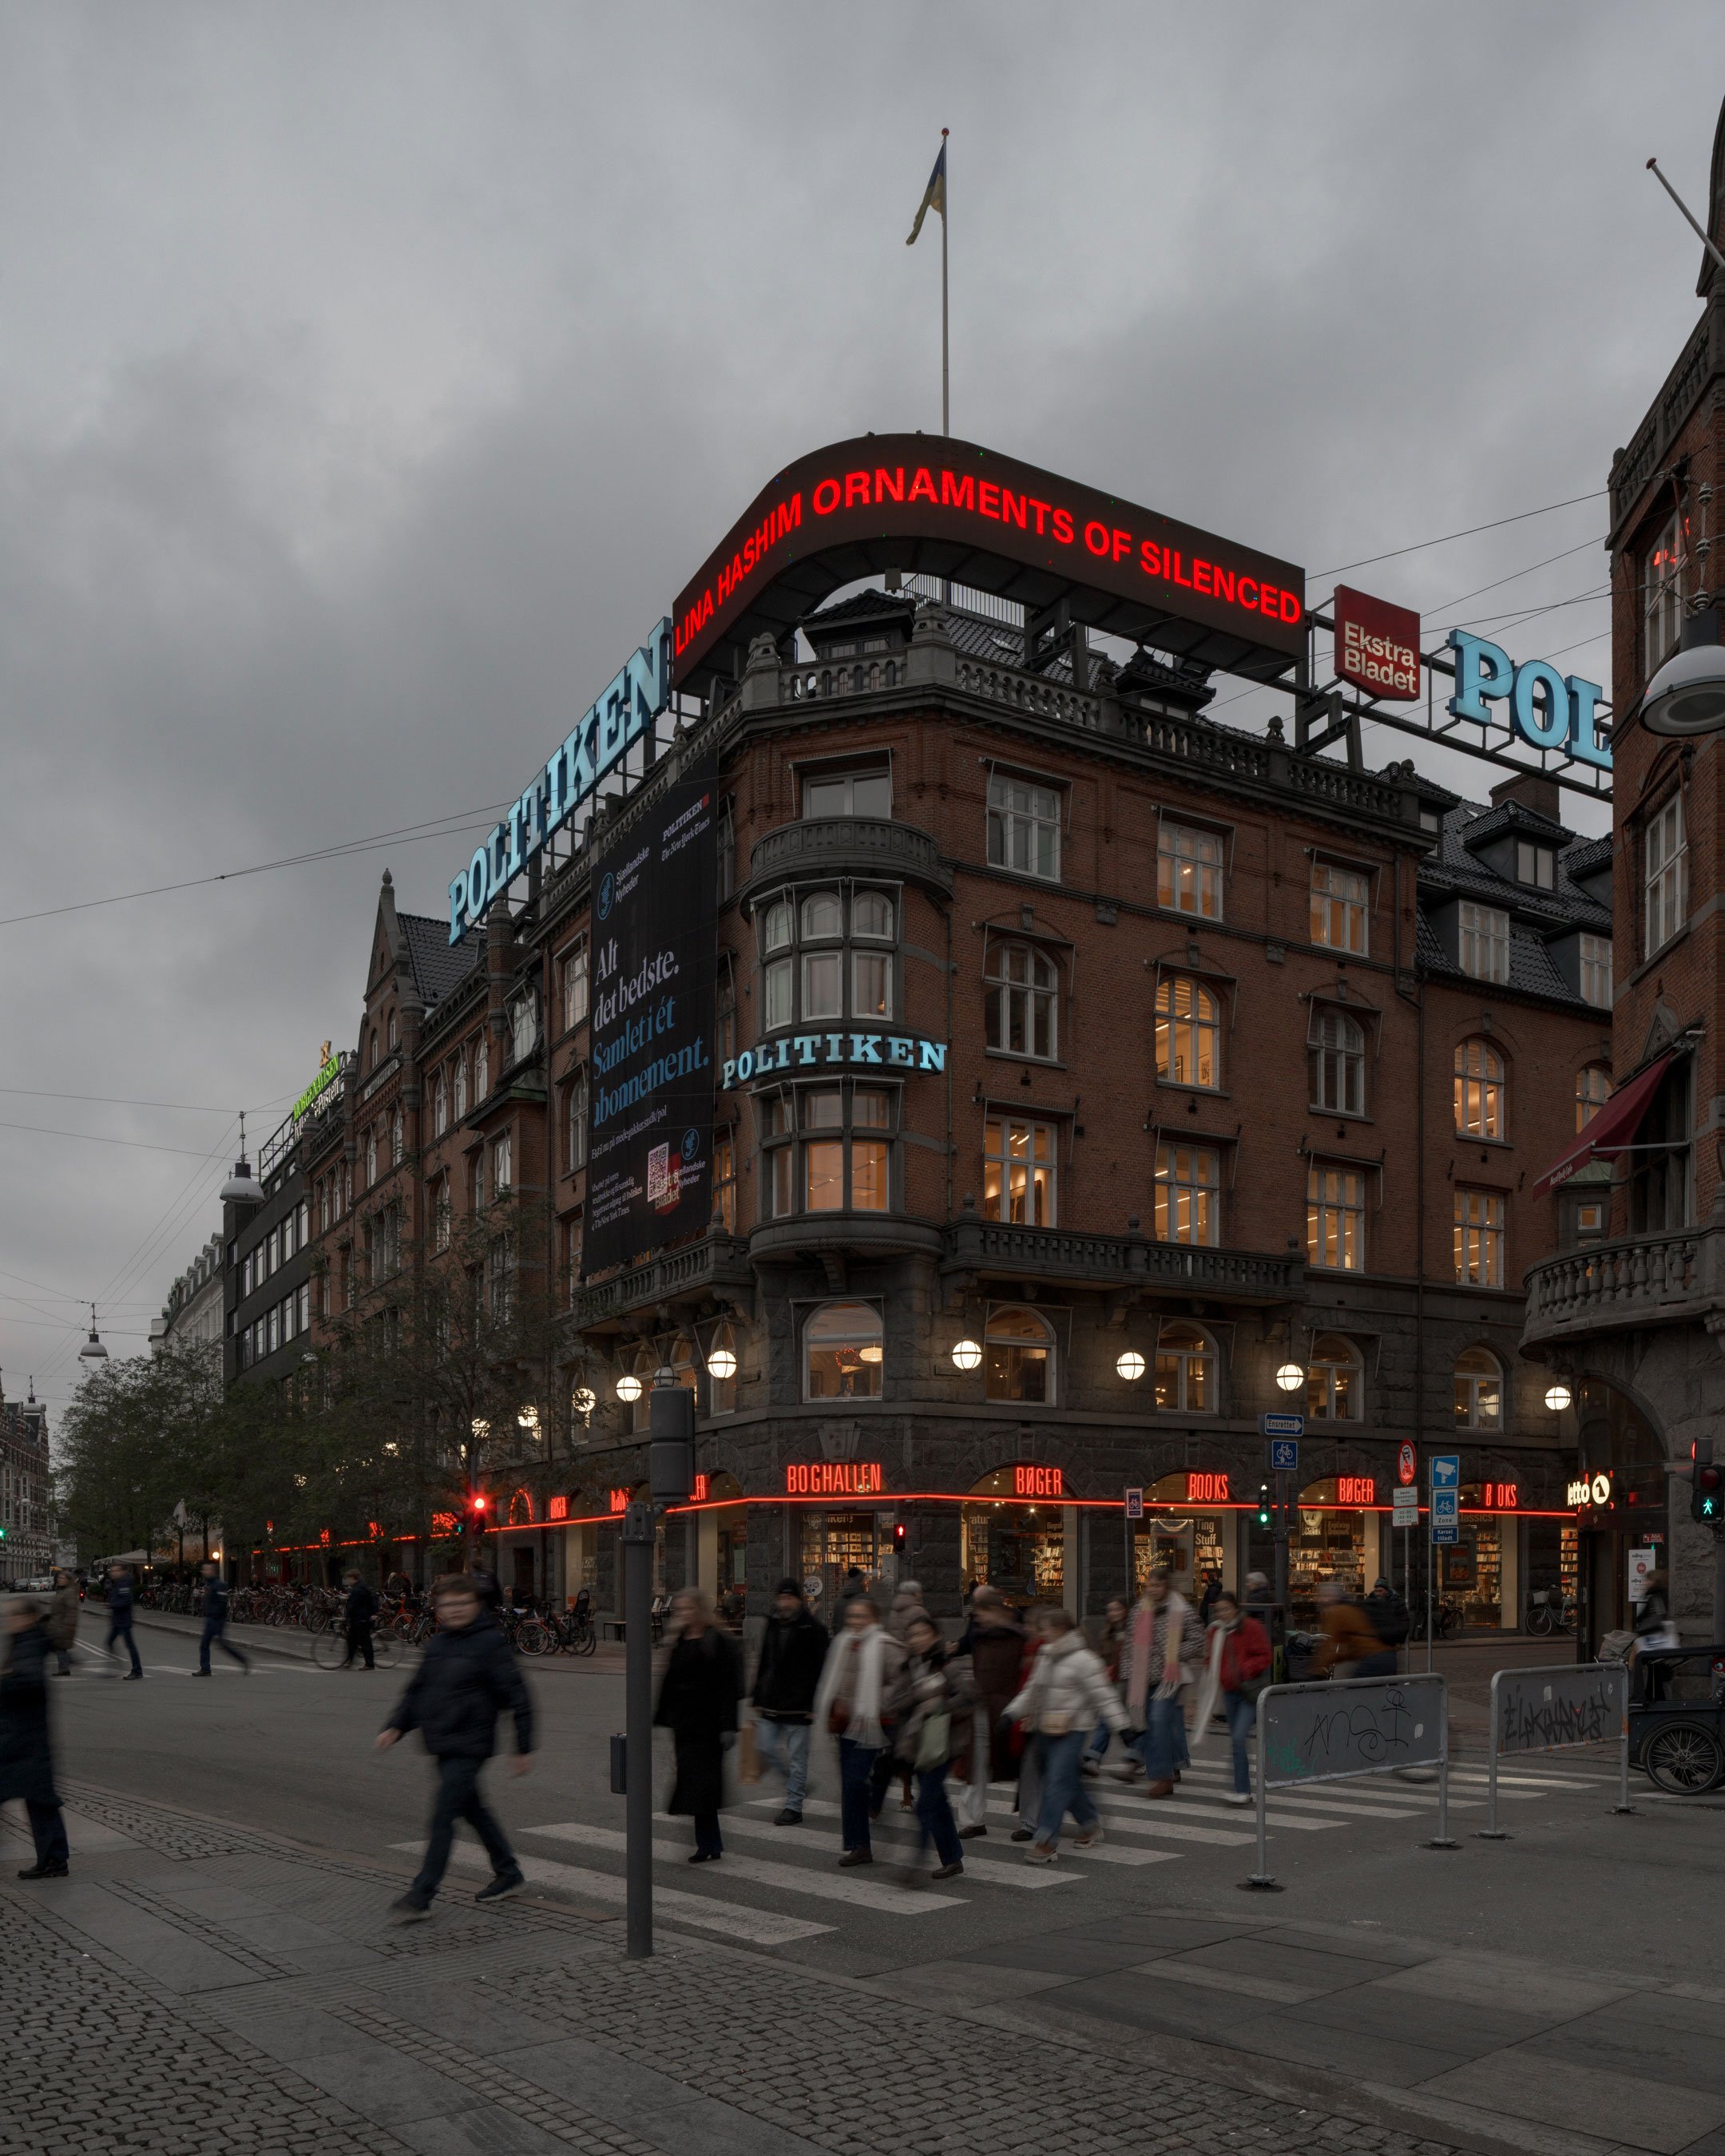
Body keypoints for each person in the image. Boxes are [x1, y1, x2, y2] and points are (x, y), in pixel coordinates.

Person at [377, 1574, 531, 1918]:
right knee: (473, 1810)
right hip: (443, 1741)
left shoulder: (490, 1643)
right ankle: (509, 1873)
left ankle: (421, 1896)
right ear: (439, 1609)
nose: (455, 1610)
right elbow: (418, 1691)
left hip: (471, 1743)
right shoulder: (438, 1645)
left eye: (462, 1603)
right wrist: (396, 1726)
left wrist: (523, 1746)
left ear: (476, 1605)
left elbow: (518, 1696)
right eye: (448, 1604)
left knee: (443, 1815)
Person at [1005, 1607, 1127, 1863]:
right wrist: (1011, 1714)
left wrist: (1122, 1726)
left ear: (1060, 1629)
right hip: (1043, 1729)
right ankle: (1090, 1822)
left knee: (1057, 1783)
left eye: (1046, 1629)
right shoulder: (1046, 1655)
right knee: (1067, 1783)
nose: (1042, 1633)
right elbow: (1032, 1690)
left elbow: (1104, 1696)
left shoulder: (1085, 1660)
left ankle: (1047, 1841)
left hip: (1072, 1731)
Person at [812, 1596, 906, 1868]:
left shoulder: (886, 1646)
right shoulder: (843, 1643)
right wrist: (835, 1702)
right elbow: (836, 1680)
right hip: (847, 1725)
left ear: (874, 1619)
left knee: (855, 1783)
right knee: (851, 1786)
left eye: (861, 1616)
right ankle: (858, 1845)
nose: (854, 1621)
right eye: (851, 1616)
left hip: (876, 1724)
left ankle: (863, 1839)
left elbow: (901, 1684)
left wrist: (872, 1702)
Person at [654, 1587, 742, 1862]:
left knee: (702, 1786)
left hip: (710, 1726)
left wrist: (728, 1725)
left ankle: (708, 1844)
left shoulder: (717, 1641)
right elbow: (670, 1682)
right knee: (696, 1785)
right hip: (686, 1725)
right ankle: (710, 1843)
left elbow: (730, 1687)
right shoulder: (680, 1640)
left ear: (700, 1610)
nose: (683, 1614)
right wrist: (663, 1717)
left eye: (688, 1608)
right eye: (680, 1609)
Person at [886, 1610, 972, 1881]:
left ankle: (916, 1862)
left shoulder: (946, 1666)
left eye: (923, 1634)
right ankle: (952, 1858)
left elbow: (969, 1698)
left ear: (935, 1636)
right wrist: (917, 1698)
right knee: (938, 1803)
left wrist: (941, 1705)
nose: (918, 1639)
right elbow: (894, 1703)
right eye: (913, 1635)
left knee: (926, 1804)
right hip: (916, 1743)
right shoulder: (908, 1668)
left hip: (942, 1744)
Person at [750, 1579, 828, 1825]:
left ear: (798, 1600)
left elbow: (821, 1669)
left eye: (789, 1598)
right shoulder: (772, 1624)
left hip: (799, 1706)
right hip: (771, 1702)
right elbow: (764, 1661)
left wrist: (813, 1705)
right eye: (781, 1598)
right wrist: (757, 1696)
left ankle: (794, 1806)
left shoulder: (813, 1628)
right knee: (764, 1748)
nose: (784, 1603)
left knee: (797, 1760)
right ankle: (795, 1784)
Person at [2, 1598, 69, 1880]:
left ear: (28, 1618)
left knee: (40, 1799)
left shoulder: (28, 1641)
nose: (8, 1621)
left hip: (25, 1739)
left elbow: (28, 1680)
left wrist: (4, 1681)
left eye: (13, 1616)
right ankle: (54, 1858)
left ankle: (54, 1859)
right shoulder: (27, 1640)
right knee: (40, 1798)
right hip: (24, 1737)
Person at [1119, 1570, 1202, 1797]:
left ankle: (1163, 1778)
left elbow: (1198, 1640)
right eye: (1150, 1585)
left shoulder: (1182, 1609)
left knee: (1157, 1721)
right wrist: (1127, 1674)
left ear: (1167, 1586)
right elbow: (1129, 1645)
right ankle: (1169, 1771)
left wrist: (1173, 1653)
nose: (1153, 1589)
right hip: (1143, 1678)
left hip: (1168, 1680)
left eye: (1158, 1585)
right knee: (1152, 1726)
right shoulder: (1139, 1609)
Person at [952, 1586, 1026, 1835]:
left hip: (1010, 1711)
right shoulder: (983, 1637)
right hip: (983, 1708)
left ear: (996, 1610)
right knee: (976, 1764)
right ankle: (973, 1820)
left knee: (1021, 1765)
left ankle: (1032, 1821)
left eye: (982, 1613)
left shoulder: (1017, 1638)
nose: (979, 1618)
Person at [1203, 1591, 1272, 1804]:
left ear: (1235, 1608)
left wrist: (1245, 1669)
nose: (1223, 1613)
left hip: (1249, 1690)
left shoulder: (1251, 1627)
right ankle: (1241, 1788)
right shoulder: (1216, 1631)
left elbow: (1265, 1655)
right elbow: (1210, 1658)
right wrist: (1217, 1674)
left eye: (1226, 1609)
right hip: (1230, 1690)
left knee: (1239, 1736)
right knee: (1236, 1740)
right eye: (1219, 1610)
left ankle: (1241, 1789)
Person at [1081, 1597, 1130, 1777]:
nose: (1114, 1613)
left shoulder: (1133, 1631)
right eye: (1111, 1610)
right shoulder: (1106, 1634)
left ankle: (1095, 1758)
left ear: (1126, 1610)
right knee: (1113, 1721)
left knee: (1113, 1721)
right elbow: (1103, 1658)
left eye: (1118, 1609)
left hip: (1129, 1683)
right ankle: (1135, 1755)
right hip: (1112, 1684)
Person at [1315, 1578, 1394, 1678]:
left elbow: (1330, 1645)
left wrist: (1318, 1667)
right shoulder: (1352, 1608)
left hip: (1372, 1657)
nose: (1321, 1599)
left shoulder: (1337, 1612)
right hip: (1388, 1655)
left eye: (1324, 1596)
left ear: (1332, 1597)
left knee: (1354, 1686)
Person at [193, 1561, 249, 1677]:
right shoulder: (211, 1584)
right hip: (213, 1618)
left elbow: (221, 1602)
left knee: (214, 1644)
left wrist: (214, 1615)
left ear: (212, 1571)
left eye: (206, 1570)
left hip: (216, 1619)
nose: (204, 1572)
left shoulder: (218, 1585)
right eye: (203, 1570)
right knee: (211, 1644)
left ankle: (206, 1668)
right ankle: (206, 1668)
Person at [103, 1563, 143, 1680]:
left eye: (116, 1571)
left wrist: (111, 1605)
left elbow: (126, 1601)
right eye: (112, 1571)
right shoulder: (118, 1583)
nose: (113, 1573)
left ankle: (137, 1671)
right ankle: (115, 1667)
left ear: (123, 1572)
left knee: (130, 1645)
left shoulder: (124, 1583)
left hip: (123, 1620)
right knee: (110, 1642)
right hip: (118, 1620)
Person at [1363, 1576, 1410, 1667]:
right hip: (1373, 1643)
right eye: (1376, 1591)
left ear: (1387, 1590)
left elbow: (1404, 1622)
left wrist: (1399, 1641)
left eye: (1380, 1591)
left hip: (1389, 1643)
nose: (1378, 1593)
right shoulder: (1370, 1601)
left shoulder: (1397, 1601)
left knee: (1388, 1667)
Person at [340, 1570, 379, 1670]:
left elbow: (354, 1605)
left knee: (364, 1642)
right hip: (358, 1618)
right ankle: (350, 1661)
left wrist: (346, 1616)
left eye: (348, 1579)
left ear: (353, 1578)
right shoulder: (359, 1587)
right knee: (352, 1641)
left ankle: (369, 1664)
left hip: (362, 1618)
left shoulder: (358, 1589)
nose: (348, 1581)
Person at [46, 1569, 80, 1678]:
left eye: (62, 1578)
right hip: (56, 1624)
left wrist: (68, 1626)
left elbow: (72, 1611)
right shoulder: (62, 1591)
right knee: (57, 1647)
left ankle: (65, 1668)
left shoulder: (69, 1592)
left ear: (68, 1580)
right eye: (59, 1578)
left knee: (59, 1647)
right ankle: (68, 1662)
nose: (59, 1580)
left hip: (62, 1625)